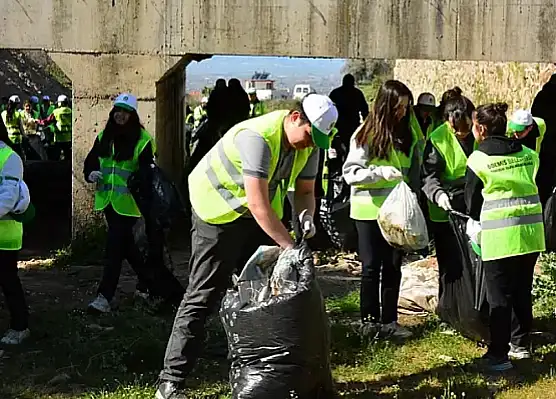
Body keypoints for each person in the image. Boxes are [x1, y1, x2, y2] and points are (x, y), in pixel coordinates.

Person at [155, 94, 338, 399]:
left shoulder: (312, 146)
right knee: (203, 294)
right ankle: (170, 381)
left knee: (263, 290)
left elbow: (305, 190)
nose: (310, 144)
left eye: (317, 140)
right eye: (308, 136)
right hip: (217, 209)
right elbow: (257, 202)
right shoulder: (258, 138)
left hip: (258, 215)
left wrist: (307, 217)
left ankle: (255, 360)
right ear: (295, 118)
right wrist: (289, 246)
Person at [83, 93, 184, 314]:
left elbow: (147, 174)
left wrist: (138, 186)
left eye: (125, 112)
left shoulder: (143, 140)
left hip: (130, 205)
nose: (120, 116)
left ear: (133, 115)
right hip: (108, 202)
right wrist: (91, 173)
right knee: (128, 250)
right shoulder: (104, 136)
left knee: (113, 250)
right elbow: (91, 161)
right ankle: (160, 288)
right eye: (117, 111)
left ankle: (104, 297)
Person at [465, 102, 546, 371]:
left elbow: (472, 203)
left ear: (482, 129)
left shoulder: (478, 159)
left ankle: (498, 355)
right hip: (531, 234)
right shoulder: (528, 155)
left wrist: (475, 223)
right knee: (522, 290)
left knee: (499, 297)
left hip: (500, 236)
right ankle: (520, 345)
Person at [342, 79, 424, 340]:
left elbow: (413, 168)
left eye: (406, 108)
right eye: (398, 107)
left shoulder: (406, 134)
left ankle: (389, 321)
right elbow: (350, 173)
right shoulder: (364, 134)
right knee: (370, 267)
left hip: (395, 213)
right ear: (386, 106)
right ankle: (368, 321)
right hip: (368, 211)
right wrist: (379, 173)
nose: (402, 112)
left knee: (392, 266)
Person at [421, 95, 476, 299]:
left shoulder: (480, 132)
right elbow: (428, 176)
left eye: (466, 128)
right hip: (445, 210)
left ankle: (472, 304)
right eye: (457, 129)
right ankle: (450, 305)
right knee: (449, 263)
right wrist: (438, 194)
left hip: (473, 207)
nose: (462, 133)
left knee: (474, 260)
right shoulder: (438, 139)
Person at [0, 119, 31, 345]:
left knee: (8, 280)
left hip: (5, 234)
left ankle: (20, 327)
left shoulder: (9, 158)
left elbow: (8, 199)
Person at [506, 110, 553, 204]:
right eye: (514, 128)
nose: (515, 133)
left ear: (530, 128)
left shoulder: (541, 125)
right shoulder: (508, 129)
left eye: (520, 131)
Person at [41, 95, 72, 161]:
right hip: (68, 137)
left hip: (58, 138)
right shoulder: (71, 111)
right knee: (68, 156)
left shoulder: (56, 112)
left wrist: (38, 121)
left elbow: (47, 121)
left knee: (56, 156)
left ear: (60, 103)